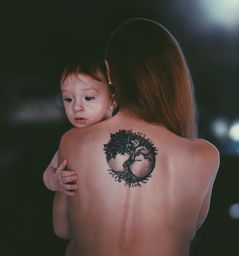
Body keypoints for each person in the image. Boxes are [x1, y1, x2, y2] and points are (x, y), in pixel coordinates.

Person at [53, 18, 220, 255]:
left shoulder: (74, 141)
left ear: (109, 71)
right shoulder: (204, 156)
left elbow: (62, 228)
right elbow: (187, 229)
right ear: (174, 75)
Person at [43, 60, 117, 196]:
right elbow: (49, 170)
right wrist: (55, 180)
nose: (76, 107)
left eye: (88, 98)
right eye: (68, 99)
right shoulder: (70, 140)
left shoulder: (119, 135)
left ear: (112, 102)